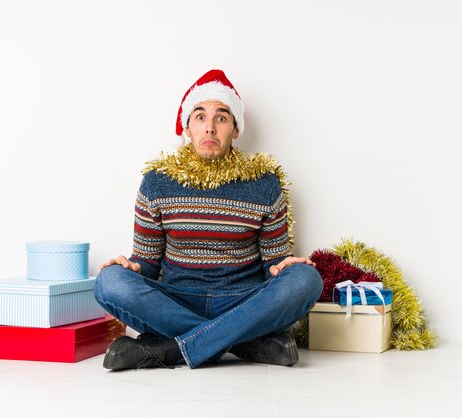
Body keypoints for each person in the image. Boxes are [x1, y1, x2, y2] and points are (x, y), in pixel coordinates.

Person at [94, 69, 323, 370]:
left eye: (222, 118)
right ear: (187, 127)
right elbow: (147, 264)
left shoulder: (265, 183)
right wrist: (132, 267)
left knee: (306, 279)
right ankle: (243, 341)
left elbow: (273, 265)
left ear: (236, 129)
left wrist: (283, 266)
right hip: (176, 300)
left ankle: (169, 350)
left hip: (242, 298)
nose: (210, 128)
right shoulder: (157, 182)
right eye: (200, 117)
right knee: (109, 282)